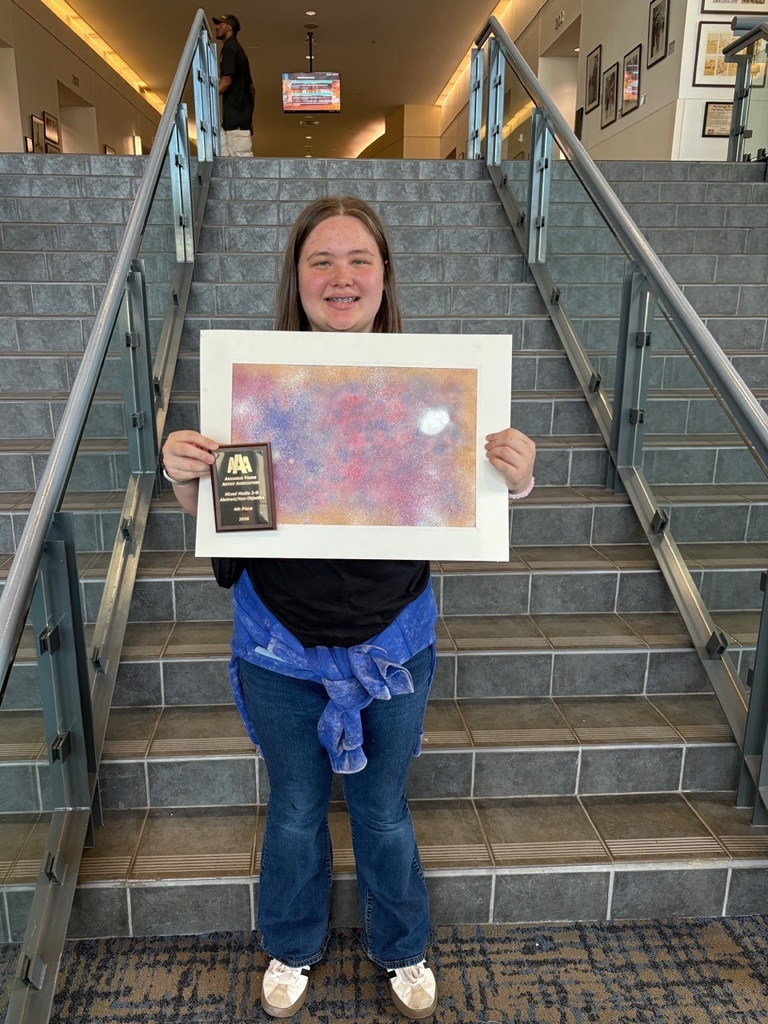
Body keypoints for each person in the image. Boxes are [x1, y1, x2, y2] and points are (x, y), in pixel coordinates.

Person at [161, 196, 536, 1019]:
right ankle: (293, 944)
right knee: (295, 810)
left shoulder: (434, 389)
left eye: (358, 259)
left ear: (384, 275)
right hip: (279, 645)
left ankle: (401, 946)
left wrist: (511, 476)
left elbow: (463, 502)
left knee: (382, 808)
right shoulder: (252, 389)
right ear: (294, 280)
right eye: (320, 261)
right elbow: (237, 535)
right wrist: (189, 478)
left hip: (393, 639)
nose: (341, 276)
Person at [212, 13, 254, 157]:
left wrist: (208, 97)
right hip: (238, 120)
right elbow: (251, 89)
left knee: (239, 169)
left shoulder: (230, 49)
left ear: (229, 27)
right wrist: (248, 119)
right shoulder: (237, 49)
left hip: (235, 121)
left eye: (220, 24)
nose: (217, 27)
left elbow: (226, 80)